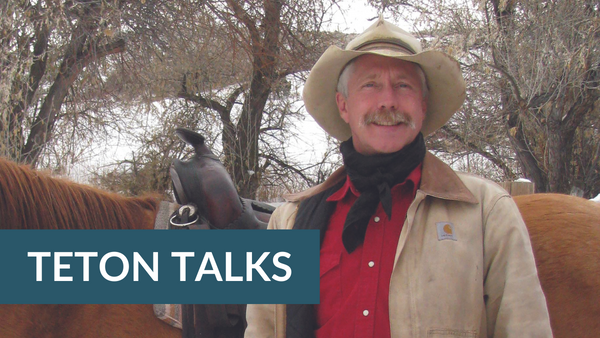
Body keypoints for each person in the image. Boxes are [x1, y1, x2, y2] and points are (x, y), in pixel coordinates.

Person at [245, 17, 553, 338]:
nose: (388, 100)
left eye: (403, 85)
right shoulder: (288, 223)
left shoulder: (487, 213)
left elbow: (525, 329)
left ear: (422, 104)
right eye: (371, 84)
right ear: (344, 105)